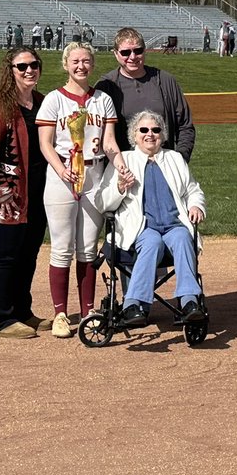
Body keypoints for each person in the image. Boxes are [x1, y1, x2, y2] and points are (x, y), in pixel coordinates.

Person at [37, 42, 126, 338]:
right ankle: (60, 313)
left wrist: (121, 163)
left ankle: (88, 311)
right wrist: (62, 170)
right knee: (62, 247)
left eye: (86, 61)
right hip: (63, 173)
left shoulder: (102, 100)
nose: (81, 66)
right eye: (75, 61)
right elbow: (45, 143)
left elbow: (109, 141)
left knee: (88, 247)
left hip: (94, 173)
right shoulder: (54, 99)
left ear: (92, 64)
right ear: (65, 64)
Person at [92, 111, 206, 328]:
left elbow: (193, 190)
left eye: (156, 130)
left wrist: (195, 205)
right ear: (134, 135)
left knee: (183, 238)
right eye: (143, 130)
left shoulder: (174, 158)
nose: (150, 134)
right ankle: (133, 305)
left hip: (174, 224)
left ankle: (190, 302)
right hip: (142, 228)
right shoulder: (123, 161)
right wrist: (119, 187)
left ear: (162, 135)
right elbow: (102, 202)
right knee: (152, 242)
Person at [0, 48, 50, 338]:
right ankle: (0, 320)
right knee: (4, 257)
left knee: (28, 256)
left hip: (36, 195)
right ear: (10, 70)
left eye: (34, 65)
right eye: (22, 66)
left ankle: (22, 312)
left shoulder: (43, 103)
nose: (29, 70)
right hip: (5, 196)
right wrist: (2, 192)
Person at [96, 27, 196, 162]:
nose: (132, 57)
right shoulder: (106, 86)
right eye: (125, 52)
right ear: (116, 53)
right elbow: (97, 133)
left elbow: (185, 125)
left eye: (138, 51)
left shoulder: (165, 81)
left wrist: (180, 158)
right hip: (124, 167)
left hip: (163, 163)